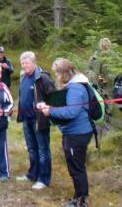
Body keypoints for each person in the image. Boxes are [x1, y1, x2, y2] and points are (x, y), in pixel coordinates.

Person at [39, 58, 93, 207]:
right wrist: (49, 106)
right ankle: (78, 197)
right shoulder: (75, 85)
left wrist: (50, 111)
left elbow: (71, 112)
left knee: (77, 168)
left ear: (64, 73)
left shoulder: (76, 88)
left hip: (77, 134)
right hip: (75, 132)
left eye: (57, 73)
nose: (56, 76)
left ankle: (81, 201)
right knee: (75, 166)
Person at [16, 51, 56, 190]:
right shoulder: (23, 77)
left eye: (26, 63)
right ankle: (32, 174)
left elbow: (53, 97)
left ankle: (43, 179)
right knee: (32, 149)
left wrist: (47, 106)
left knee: (43, 149)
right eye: (22, 63)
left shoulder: (42, 77)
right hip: (27, 119)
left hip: (40, 120)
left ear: (33, 62)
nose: (24, 65)